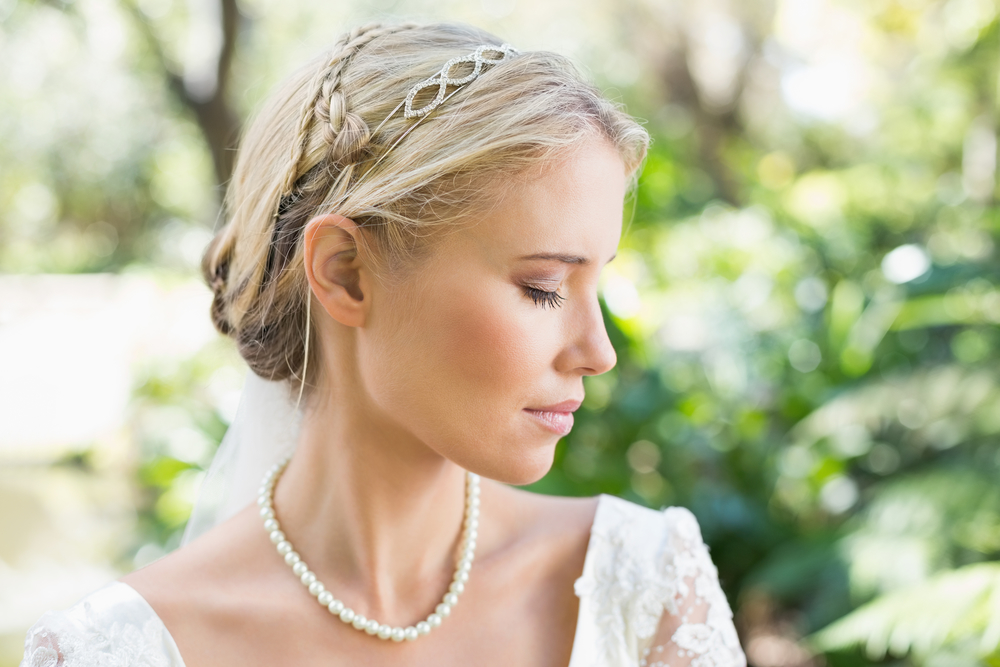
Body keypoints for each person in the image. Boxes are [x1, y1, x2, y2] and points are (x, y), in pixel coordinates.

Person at [20, 21, 747, 667]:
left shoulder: (648, 586)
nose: (598, 350)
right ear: (346, 272)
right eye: (543, 286)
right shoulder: (118, 649)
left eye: (599, 283)